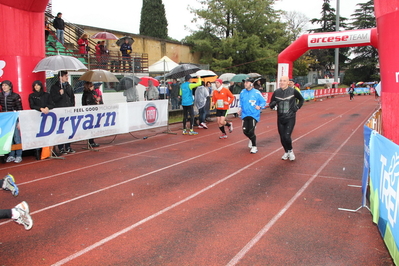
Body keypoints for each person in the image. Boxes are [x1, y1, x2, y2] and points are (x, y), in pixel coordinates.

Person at [269, 75, 304, 161]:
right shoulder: (276, 92)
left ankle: (290, 151)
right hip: (280, 118)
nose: (282, 82)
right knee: (282, 137)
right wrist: (272, 104)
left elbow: (301, 99)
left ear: (288, 82)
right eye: (280, 80)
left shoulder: (293, 91)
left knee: (287, 136)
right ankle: (286, 151)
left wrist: (297, 107)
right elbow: (271, 104)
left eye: (284, 81)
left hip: (290, 117)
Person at [50, 71, 76, 155]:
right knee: (61, 129)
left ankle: (68, 146)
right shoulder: (54, 87)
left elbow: (72, 97)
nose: (67, 77)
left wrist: (72, 107)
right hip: (60, 111)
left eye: (67, 76)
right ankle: (61, 147)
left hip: (68, 110)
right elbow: (53, 99)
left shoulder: (69, 86)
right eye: (65, 76)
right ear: (60, 77)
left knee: (69, 129)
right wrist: (60, 94)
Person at [238, 77, 266, 154]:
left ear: (251, 83)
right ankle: (251, 138)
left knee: (250, 130)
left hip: (254, 114)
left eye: (247, 82)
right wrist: (239, 109)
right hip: (244, 114)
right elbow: (240, 102)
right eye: (245, 82)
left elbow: (263, 101)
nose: (245, 84)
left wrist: (259, 106)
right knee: (245, 131)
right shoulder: (242, 92)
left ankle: (254, 146)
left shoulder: (256, 93)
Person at [29, 80, 55, 160]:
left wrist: (47, 107)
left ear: (41, 86)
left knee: (48, 132)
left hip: (47, 117)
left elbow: (52, 104)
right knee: (38, 133)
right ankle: (37, 151)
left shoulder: (47, 95)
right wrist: (40, 109)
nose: (36, 87)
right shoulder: (32, 95)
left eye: (38, 85)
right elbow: (32, 105)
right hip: (36, 117)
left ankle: (49, 150)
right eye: (35, 85)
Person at [0, 80, 23, 163]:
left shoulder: (15, 96)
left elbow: (20, 109)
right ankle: (11, 155)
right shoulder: (1, 95)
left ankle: (19, 155)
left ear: (10, 86)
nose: (4, 87)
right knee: (8, 138)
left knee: (16, 137)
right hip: (5, 120)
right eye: (3, 85)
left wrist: (19, 121)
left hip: (14, 118)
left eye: (6, 85)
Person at [82, 82, 101, 147]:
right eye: (92, 86)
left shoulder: (93, 92)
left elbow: (94, 100)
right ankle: (90, 141)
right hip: (90, 112)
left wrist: (97, 101)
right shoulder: (86, 94)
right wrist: (94, 101)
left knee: (93, 126)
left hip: (94, 111)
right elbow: (87, 102)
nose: (93, 87)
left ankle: (92, 140)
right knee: (90, 126)